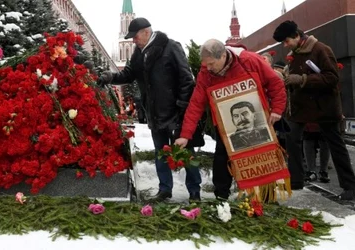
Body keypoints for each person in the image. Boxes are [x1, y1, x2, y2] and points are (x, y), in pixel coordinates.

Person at [98, 17, 202, 202]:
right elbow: (129, 74)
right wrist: (110, 77)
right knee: (160, 153)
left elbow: (187, 79)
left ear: (146, 32)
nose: (133, 40)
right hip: (154, 112)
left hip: (175, 111)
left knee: (186, 152)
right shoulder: (139, 53)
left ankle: (194, 191)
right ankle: (165, 190)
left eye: (135, 36)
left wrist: (183, 107)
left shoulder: (170, 47)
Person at [174, 39, 286, 200]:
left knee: (261, 158)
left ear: (223, 56)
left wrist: (277, 109)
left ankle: (266, 196)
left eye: (211, 63)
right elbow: (196, 105)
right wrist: (185, 135)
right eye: (206, 64)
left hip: (258, 122)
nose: (208, 68)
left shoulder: (250, 60)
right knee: (222, 158)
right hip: (225, 126)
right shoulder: (206, 73)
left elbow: (275, 83)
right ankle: (221, 196)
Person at [273, 20, 355, 200]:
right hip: (301, 107)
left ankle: (350, 186)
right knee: (292, 138)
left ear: (296, 35)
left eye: (287, 41)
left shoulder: (321, 49)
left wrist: (302, 79)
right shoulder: (294, 54)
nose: (286, 45)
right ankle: (296, 180)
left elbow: (332, 77)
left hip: (324, 106)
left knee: (336, 145)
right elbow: (294, 77)